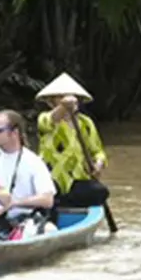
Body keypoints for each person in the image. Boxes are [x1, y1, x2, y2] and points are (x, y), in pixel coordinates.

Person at [0, 110, 55, 236]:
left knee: (50, 230)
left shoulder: (33, 161)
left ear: (14, 132)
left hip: (23, 220)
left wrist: (13, 203)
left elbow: (47, 199)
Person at [36, 72, 110, 209]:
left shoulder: (86, 123)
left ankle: (62, 204)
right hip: (53, 180)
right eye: (61, 97)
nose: (69, 100)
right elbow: (51, 119)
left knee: (101, 192)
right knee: (51, 191)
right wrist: (64, 108)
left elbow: (98, 151)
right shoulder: (45, 119)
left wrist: (98, 164)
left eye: (72, 97)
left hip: (78, 180)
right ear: (52, 101)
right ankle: (54, 203)